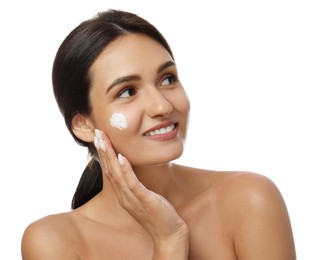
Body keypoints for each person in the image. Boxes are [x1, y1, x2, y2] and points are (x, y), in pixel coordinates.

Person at [21, 9, 296, 259]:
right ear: (83, 124)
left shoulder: (250, 201)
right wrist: (169, 239)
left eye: (168, 79)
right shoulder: (53, 241)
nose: (163, 106)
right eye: (127, 91)